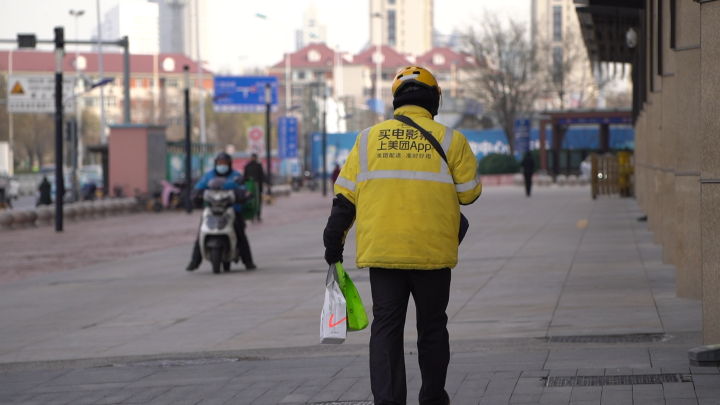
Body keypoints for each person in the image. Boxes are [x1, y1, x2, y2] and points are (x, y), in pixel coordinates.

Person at [323, 66, 482, 405]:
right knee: (433, 327)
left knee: (386, 328)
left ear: (396, 101)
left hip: (383, 252)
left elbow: (345, 200)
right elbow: (469, 193)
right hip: (432, 254)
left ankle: (389, 401)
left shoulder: (366, 139)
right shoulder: (452, 140)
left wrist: (333, 244)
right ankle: (433, 397)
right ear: (433, 100)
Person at [186, 152, 256, 271]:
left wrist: (245, 193)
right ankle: (194, 261)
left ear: (229, 164)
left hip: (231, 208)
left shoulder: (235, 175)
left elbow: (242, 186)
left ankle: (248, 261)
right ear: (215, 164)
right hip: (212, 208)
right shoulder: (209, 176)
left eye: (224, 163)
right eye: (219, 163)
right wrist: (197, 192)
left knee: (240, 233)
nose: (222, 166)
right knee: (200, 232)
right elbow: (200, 185)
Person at [243, 154, 265, 221]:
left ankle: (252, 215)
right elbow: (262, 176)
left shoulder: (248, 166)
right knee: (257, 201)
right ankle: (257, 215)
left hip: (250, 187)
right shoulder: (258, 166)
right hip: (257, 187)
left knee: (251, 201)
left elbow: (245, 177)